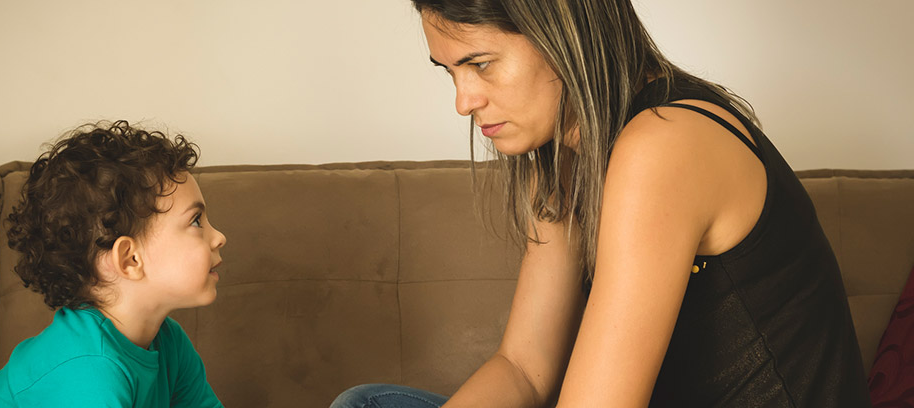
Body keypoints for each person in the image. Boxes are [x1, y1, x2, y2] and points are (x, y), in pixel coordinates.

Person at [333, 0, 870, 407]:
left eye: (481, 64)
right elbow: (524, 367)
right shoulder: (570, 153)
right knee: (367, 404)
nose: (463, 100)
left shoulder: (663, 144)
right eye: (449, 71)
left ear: (563, 34)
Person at [0, 120, 227, 407]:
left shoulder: (169, 343)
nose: (219, 237)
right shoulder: (89, 369)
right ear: (130, 259)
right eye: (196, 221)